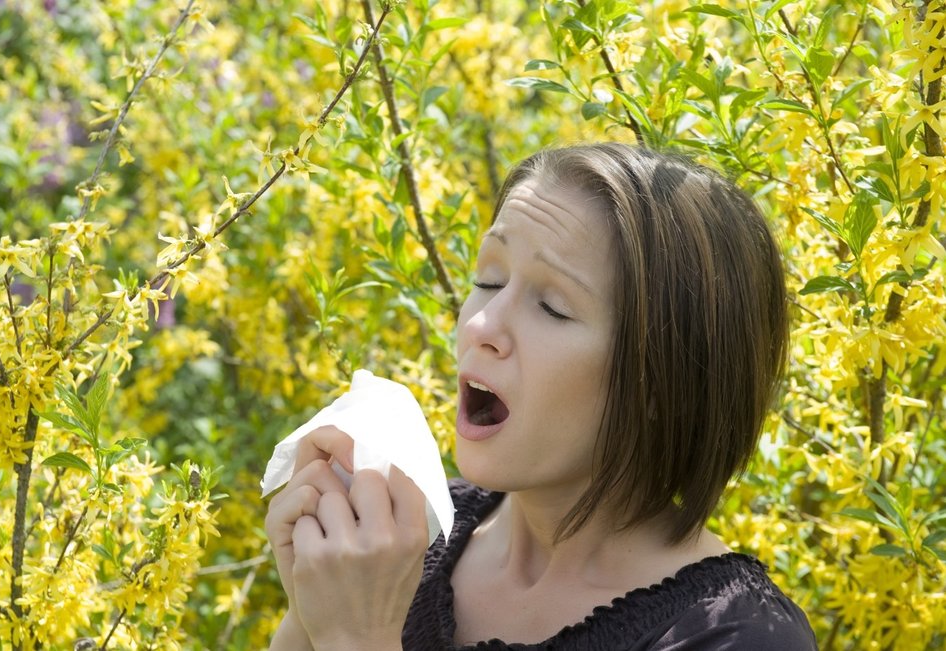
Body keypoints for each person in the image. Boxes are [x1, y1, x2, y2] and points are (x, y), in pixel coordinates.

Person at [264, 143, 819, 650]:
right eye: (488, 279)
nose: (482, 323)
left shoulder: (736, 634)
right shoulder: (404, 541)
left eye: (552, 307)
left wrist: (356, 636)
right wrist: (309, 611)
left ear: (663, 385)